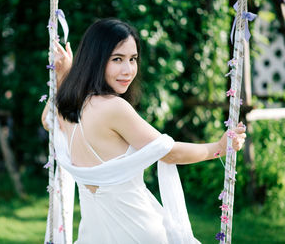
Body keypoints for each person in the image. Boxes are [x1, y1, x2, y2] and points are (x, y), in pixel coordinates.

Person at [41, 18, 246, 244]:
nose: (128, 70)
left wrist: (64, 76)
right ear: (96, 60)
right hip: (137, 232)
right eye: (117, 59)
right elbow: (169, 152)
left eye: (133, 59)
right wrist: (218, 148)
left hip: (95, 235)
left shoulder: (64, 107)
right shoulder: (113, 108)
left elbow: (46, 120)